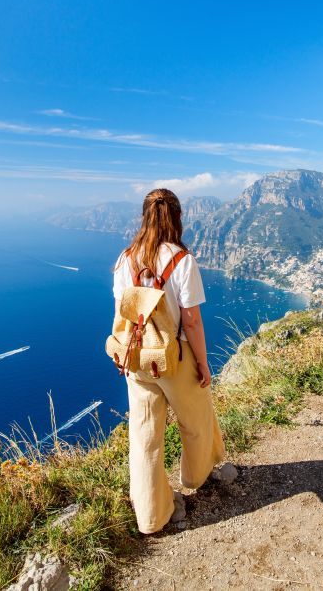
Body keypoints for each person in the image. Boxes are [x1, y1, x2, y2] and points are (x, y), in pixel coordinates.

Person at [112, 188, 226, 534]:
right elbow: (191, 320)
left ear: (144, 217)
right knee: (196, 418)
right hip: (174, 357)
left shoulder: (124, 260)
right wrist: (203, 363)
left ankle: (151, 515)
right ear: (176, 218)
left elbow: (122, 311)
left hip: (137, 360)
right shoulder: (181, 260)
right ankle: (195, 476)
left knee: (145, 437)